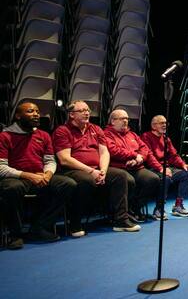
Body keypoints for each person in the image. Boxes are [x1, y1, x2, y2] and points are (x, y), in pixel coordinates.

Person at [53, 100, 138, 234]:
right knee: (86, 180)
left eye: (88, 110)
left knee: (120, 175)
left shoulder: (95, 129)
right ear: (72, 115)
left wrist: (103, 171)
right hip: (73, 170)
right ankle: (74, 223)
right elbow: (64, 159)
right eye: (82, 111)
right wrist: (91, 171)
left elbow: (104, 152)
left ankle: (121, 220)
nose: (86, 113)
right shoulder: (62, 131)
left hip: (96, 168)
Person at [0, 102, 76, 249]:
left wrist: (48, 174)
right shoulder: (5, 136)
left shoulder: (43, 135)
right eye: (30, 111)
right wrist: (28, 175)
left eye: (37, 111)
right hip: (16, 178)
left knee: (67, 184)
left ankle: (40, 227)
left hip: (40, 176)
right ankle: (15, 234)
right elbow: (1, 167)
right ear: (18, 116)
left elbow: (49, 161)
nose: (36, 114)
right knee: (11, 189)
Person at [104, 109, 161, 221]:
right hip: (119, 167)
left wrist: (138, 160)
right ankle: (123, 211)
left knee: (153, 179)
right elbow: (113, 150)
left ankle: (134, 207)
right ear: (113, 121)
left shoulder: (132, 134)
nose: (125, 121)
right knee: (129, 181)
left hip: (136, 167)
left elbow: (145, 149)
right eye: (122, 118)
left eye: (127, 118)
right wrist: (134, 155)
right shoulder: (107, 134)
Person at [141, 115, 188, 216]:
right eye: (162, 123)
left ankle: (178, 206)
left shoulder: (166, 139)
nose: (165, 125)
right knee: (166, 178)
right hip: (152, 168)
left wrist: (183, 164)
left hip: (166, 167)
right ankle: (159, 208)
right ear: (154, 125)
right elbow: (149, 156)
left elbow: (174, 155)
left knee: (187, 174)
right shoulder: (146, 136)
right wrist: (161, 168)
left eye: (165, 123)